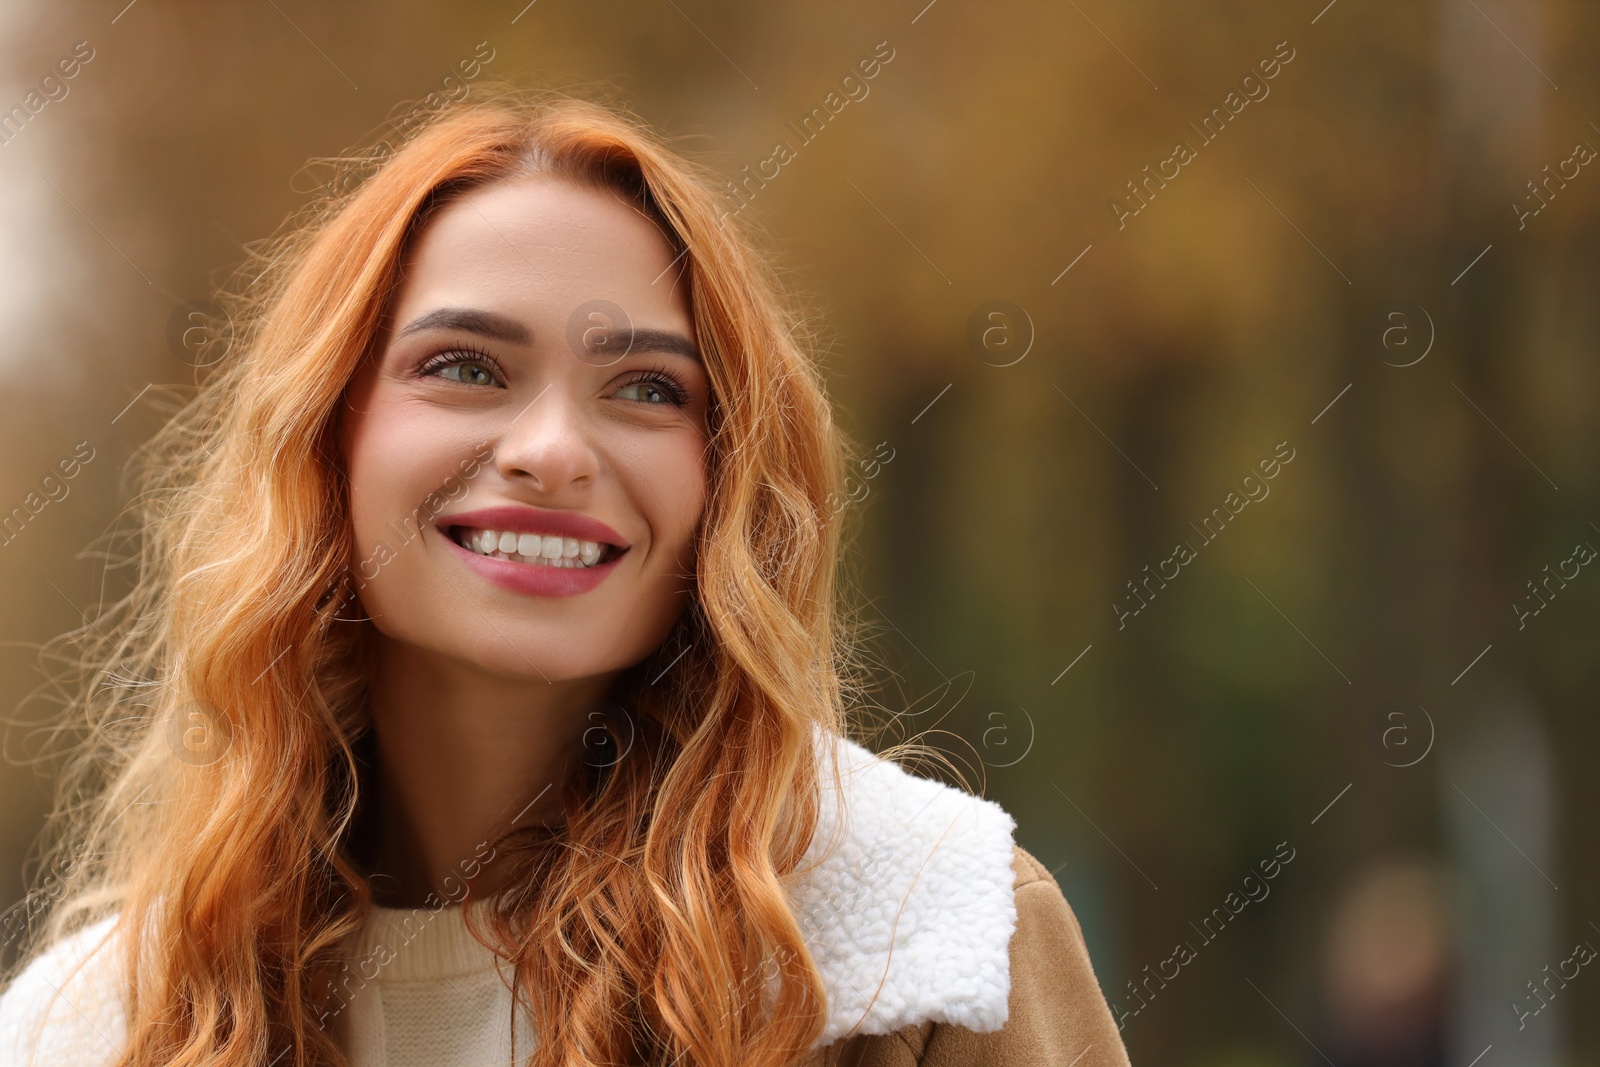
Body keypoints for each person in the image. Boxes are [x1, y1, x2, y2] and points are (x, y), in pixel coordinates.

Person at [0, 90, 1131, 1067]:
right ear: (326, 439)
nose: (551, 447)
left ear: (724, 476)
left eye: (646, 388)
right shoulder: (87, 1024)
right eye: (463, 367)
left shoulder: (923, 934)